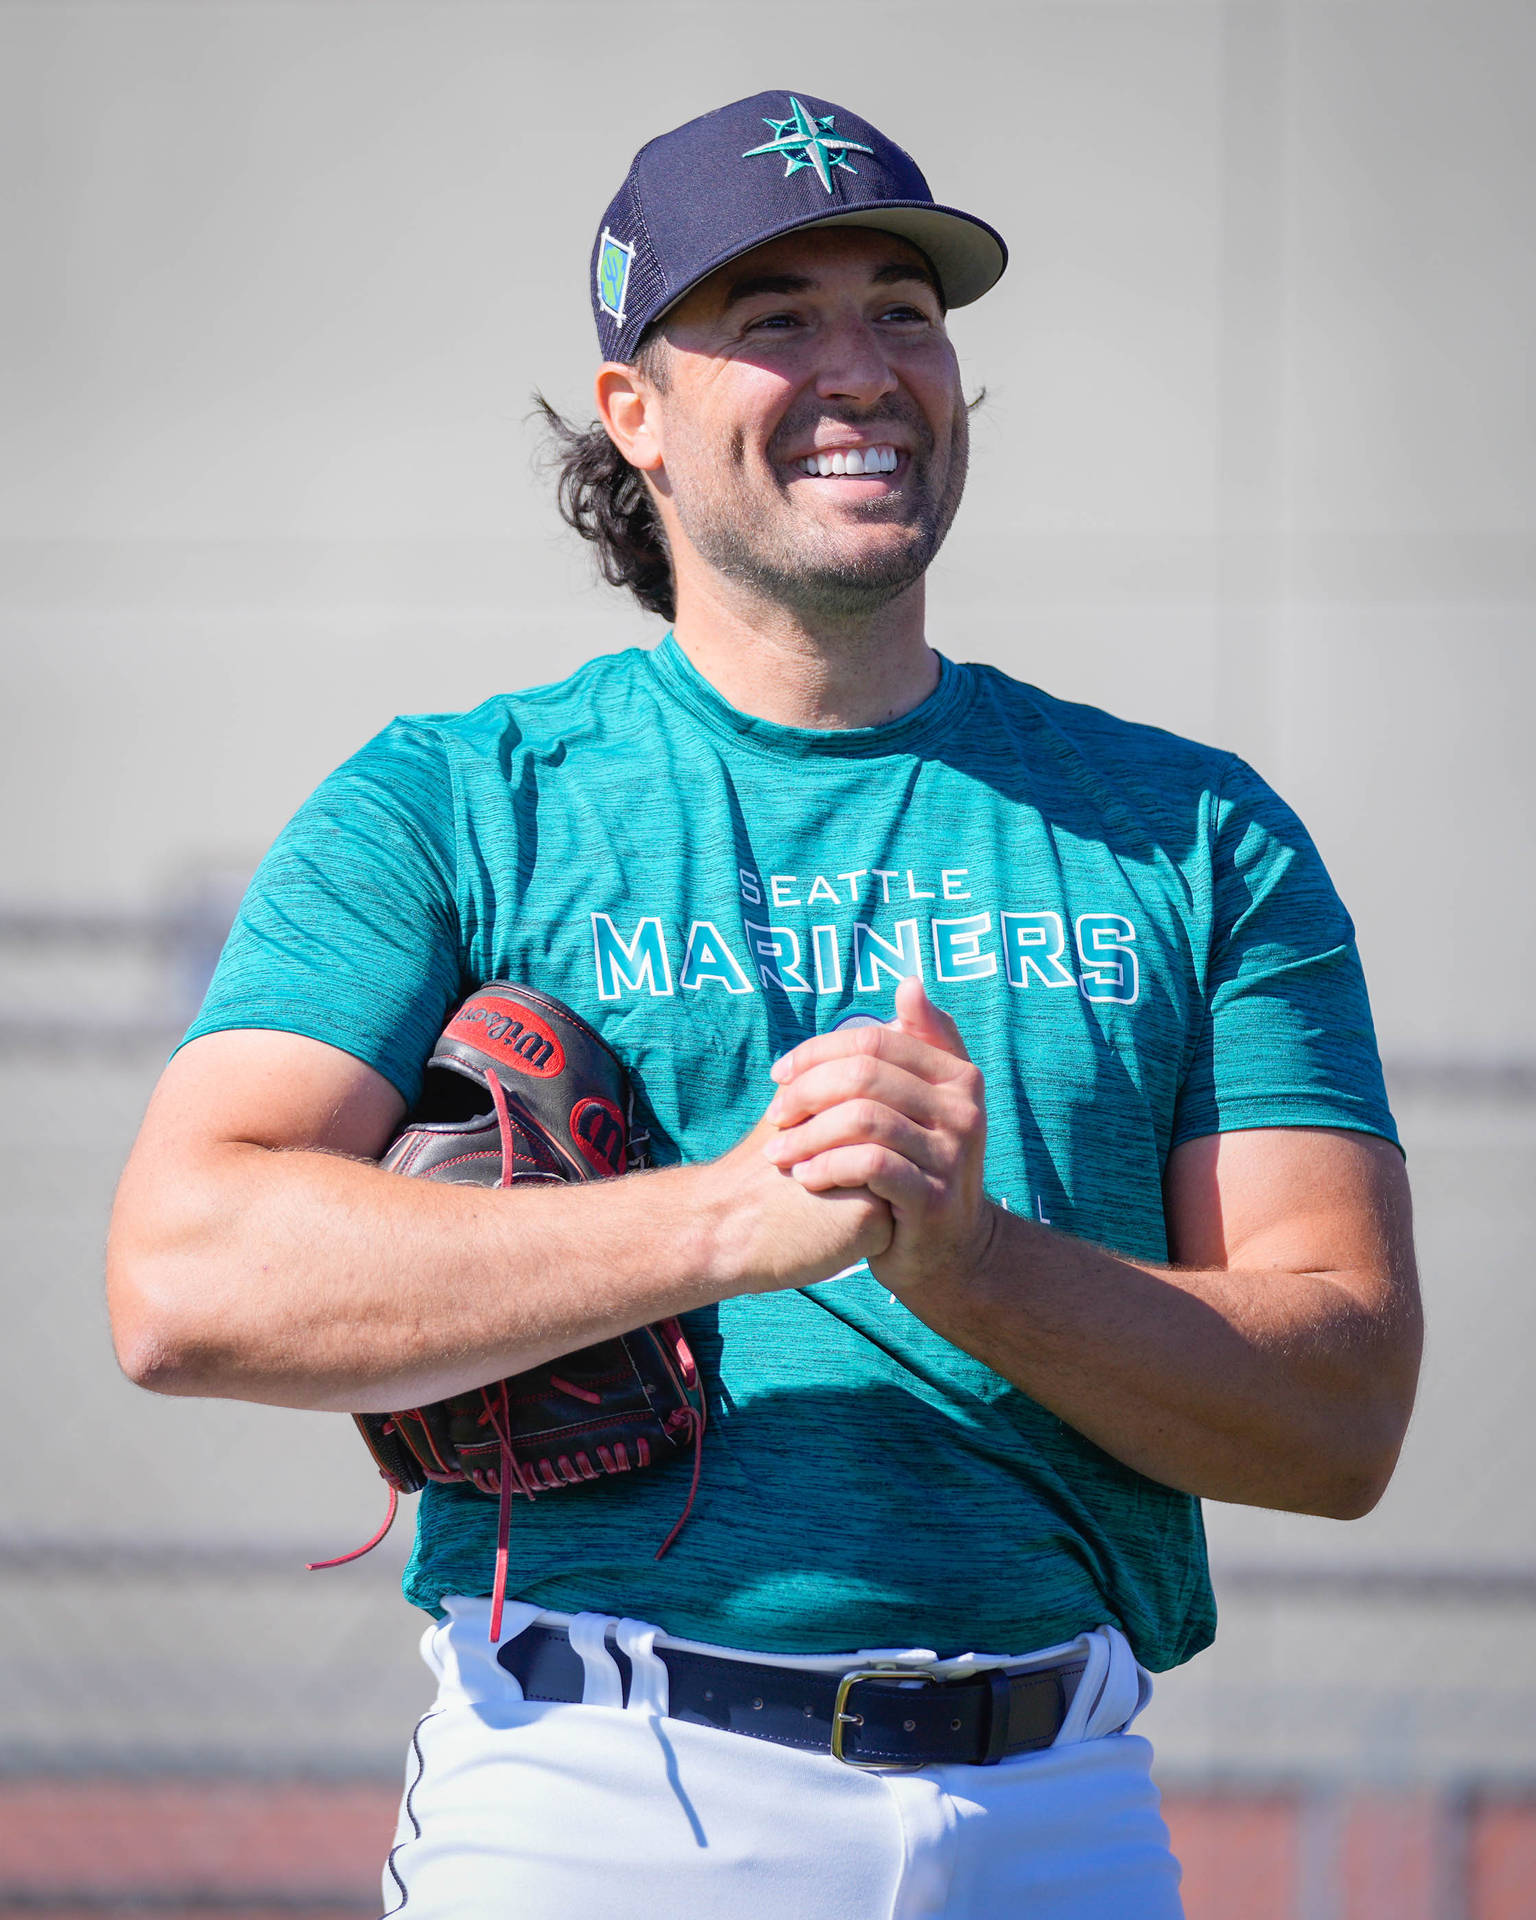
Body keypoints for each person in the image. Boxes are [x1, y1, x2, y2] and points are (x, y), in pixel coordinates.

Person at [107, 90, 1421, 1920]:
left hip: (1060, 1808)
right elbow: (182, 1281)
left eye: (903, 306)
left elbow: (1342, 1416)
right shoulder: (457, 803)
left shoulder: (1194, 830)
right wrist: (737, 1216)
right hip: (599, 1802)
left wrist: (968, 1261)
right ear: (632, 417)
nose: (862, 366)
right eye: (776, 316)